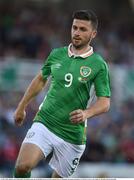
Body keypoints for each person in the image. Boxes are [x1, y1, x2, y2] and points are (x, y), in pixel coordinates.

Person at [13, 10, 111, 178]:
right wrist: (21, 107)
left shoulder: (98, 64)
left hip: (72, 135)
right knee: (22, 166)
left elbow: (105, 102)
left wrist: (86, 113)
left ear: (93, 34)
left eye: (82, 29)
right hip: (46, 122)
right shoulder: (57, 54)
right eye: (74, 28)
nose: (77, 33)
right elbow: (40, 80)